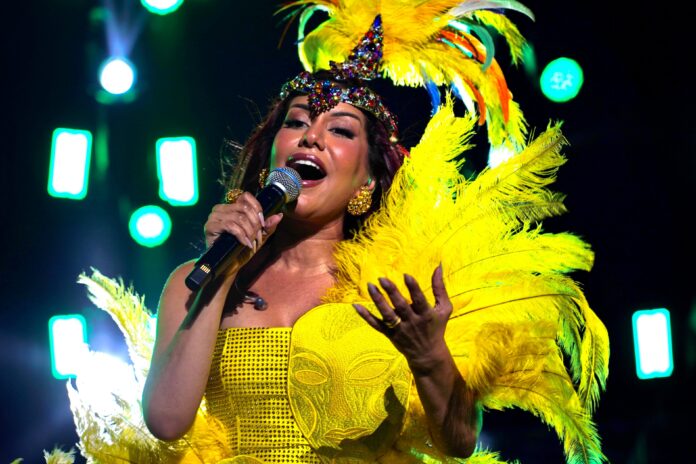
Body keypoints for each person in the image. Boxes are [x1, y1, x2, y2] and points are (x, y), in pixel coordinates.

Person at [46, 2, 609, 463]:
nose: (310, 137)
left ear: (366, 182)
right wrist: (221, 276)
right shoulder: (197, 281)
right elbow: (168, 422)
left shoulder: (403, 286)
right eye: (295, 122)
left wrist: (429, 355)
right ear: (272, 155)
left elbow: (459, 441)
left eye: (340, 131)